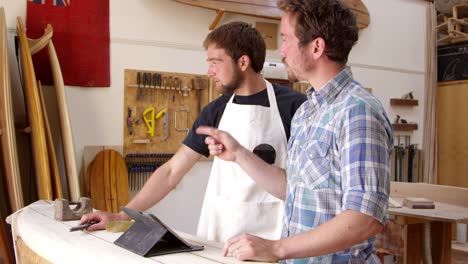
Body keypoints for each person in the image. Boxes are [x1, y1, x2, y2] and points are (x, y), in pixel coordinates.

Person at [196, 0, 393, 262]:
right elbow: (294, 189)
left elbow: (365, 218)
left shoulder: (357, 111)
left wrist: (277, 248)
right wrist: (239, 153)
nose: (282, 51)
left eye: (287, 39)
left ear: (316, 47)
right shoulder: (307, 112)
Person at [80, 21, 307, 243]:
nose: (209, 72)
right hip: (221, 237)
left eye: (215, 62)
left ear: (243, 62)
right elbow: (171, 171)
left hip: (273, 238)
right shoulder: (216, 110)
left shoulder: (295, 107)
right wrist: (123, 215)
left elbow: (304, 186)